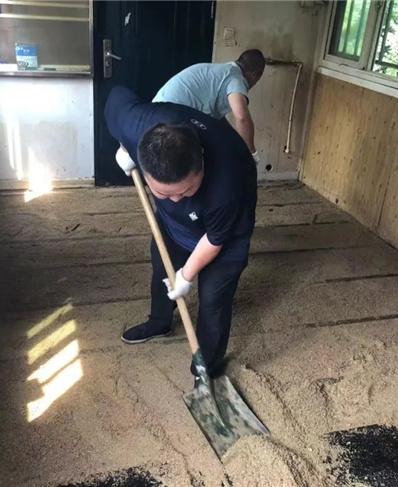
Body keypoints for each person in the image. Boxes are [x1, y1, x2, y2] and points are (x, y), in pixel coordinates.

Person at [105, 85, 257, 383]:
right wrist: (124, 148)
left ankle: (206, 368)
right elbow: (116, 96)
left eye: (186, 190)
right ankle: (159, 322)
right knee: (162, 267)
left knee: (213, 298)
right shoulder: (134, 123)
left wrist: (186, 276)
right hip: (173, 225)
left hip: (225, 233)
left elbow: (215, 240)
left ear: (201, 162)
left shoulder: (228, 182)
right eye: (164, 193)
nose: (176, 199)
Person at [153, 49, 265, 165]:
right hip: (172, 118)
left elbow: (217, 121)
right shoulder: (236, 79)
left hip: (156, 112)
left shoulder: (222, 72)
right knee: (204, 156)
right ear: (254, 75)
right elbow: (242, 118)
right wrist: (251, 154)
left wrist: (231, 136)